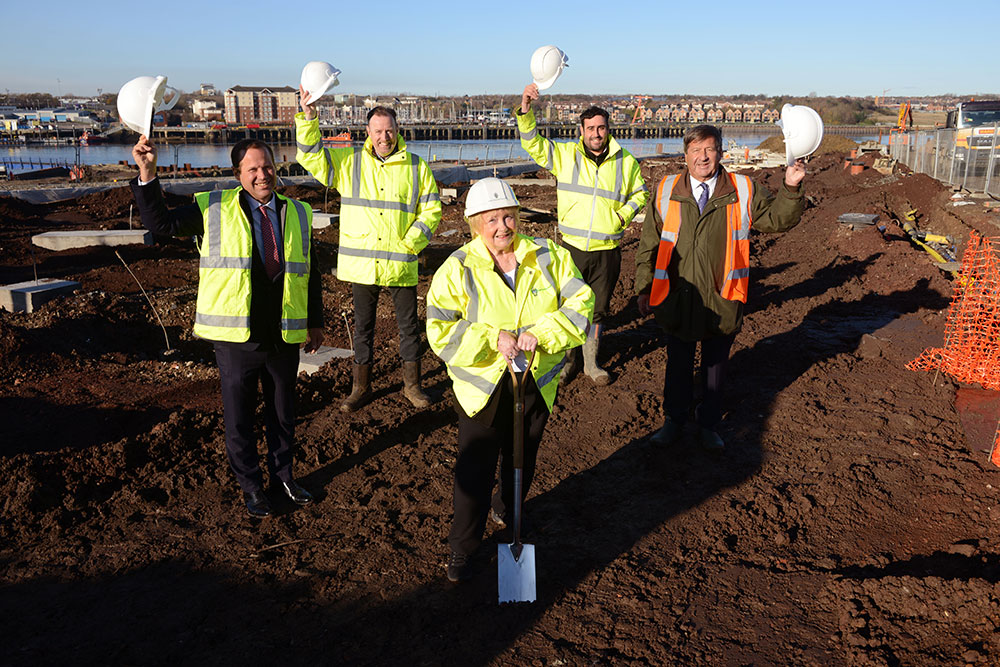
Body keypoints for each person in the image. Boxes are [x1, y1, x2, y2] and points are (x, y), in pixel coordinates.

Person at [130, 135, 324, 518]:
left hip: (283, 331)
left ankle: (283, 477)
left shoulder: (298, 212)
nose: (262, 175)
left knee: (283, 413)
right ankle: (252, 487)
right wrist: (148, 174)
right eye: (252, 169)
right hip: (237, 337)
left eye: (267, 166)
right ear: (238, 174)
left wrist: (315, 321)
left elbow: (310, 270)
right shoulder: (212, 207)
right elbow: (161, 222)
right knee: (239, 418)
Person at [426, 177, 595, 582]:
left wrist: (545, 333)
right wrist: (492, 339)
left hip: (535, 380)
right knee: (474, 470)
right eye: (491, 220)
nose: (502, 227)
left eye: (508, 216)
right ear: (474, 225)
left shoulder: (548, 255)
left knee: (523, 457)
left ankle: (510, 508)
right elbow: (439, 330)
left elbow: (581, 302)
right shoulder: (458, 267)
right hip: (483, 387)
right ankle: (463, 546)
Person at [635, 124, 806, 451]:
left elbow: (777, 220)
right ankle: (674, 421)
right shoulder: (666, 189)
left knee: (715, 367)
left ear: (721, 153)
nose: (703, 157)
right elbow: (650, 243)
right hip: (677, 297)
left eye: (709, 149)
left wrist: (791, 188)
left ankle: (709, 423)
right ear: (685, 155)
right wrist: (644, 286)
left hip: (722, 295)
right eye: (696, 151)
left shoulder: (742, 189)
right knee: (678, 364)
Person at [296, 90, 441, 412]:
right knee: (363, 328)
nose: (384, 137)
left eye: (389, 130)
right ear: (368, 133)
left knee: (408, 328)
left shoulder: (416, 167)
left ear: (397, 130)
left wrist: (410, 243)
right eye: (378, 131)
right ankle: (360, 387)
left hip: (400, 262)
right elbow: (310, 157)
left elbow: (432, 211)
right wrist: (308, 119)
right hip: (362, 266)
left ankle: (412, 386)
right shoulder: (349, 164)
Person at [516, 83, 648, 385]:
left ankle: (591, 363)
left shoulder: (625, 161)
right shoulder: (565, 156)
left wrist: (622, 216)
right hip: (571, 248)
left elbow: (640, 194)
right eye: (590, 128)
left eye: (601, 128)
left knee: (598, 310)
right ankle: (568, 362)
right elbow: (533, 144)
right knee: (567, 306)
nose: (596, 134)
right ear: (582, 130)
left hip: (607, 249)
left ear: (608, 130)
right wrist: (525, 111)